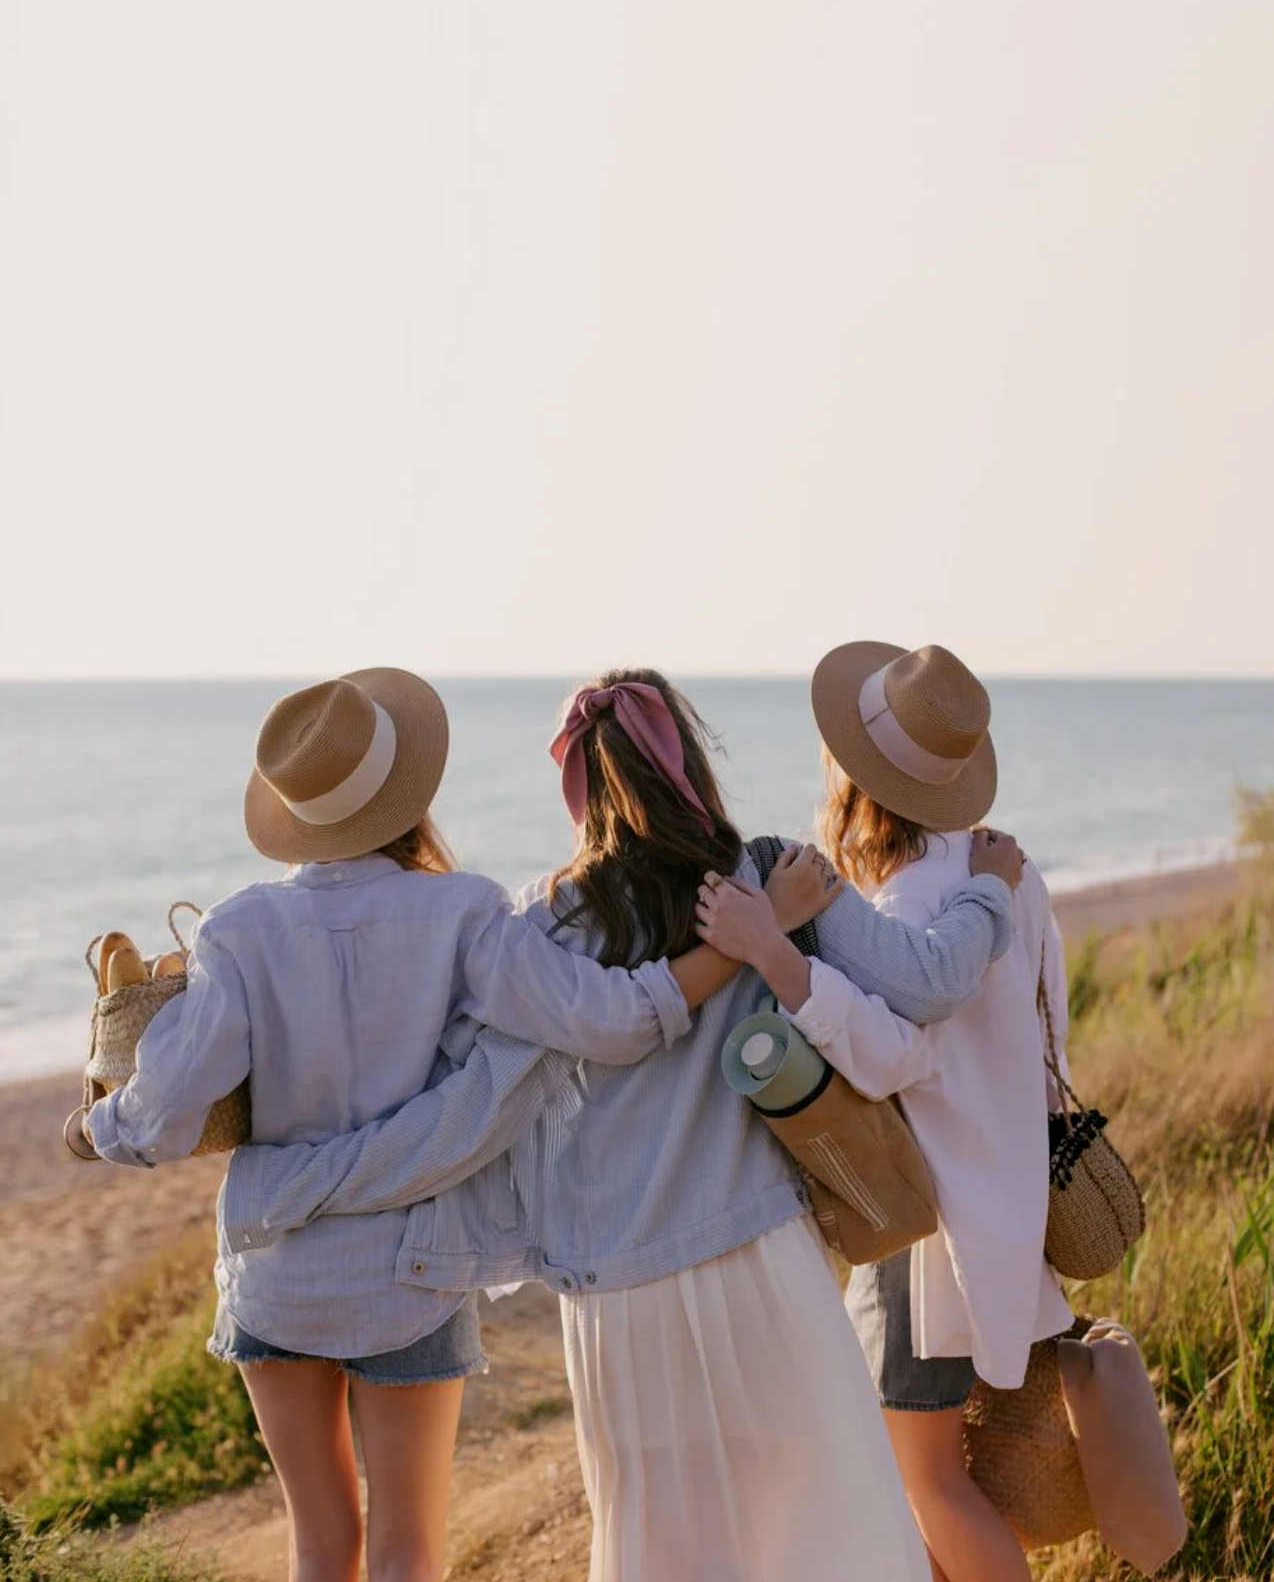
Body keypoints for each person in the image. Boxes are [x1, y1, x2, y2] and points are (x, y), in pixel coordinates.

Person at [220, 667, 1026, 1582]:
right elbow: (930, 981)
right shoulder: (768, 875)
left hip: (616, 1296)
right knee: (818, 1538)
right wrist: (986, 891)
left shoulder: (543, 923)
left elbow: (457, 1095)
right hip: (760, 1257)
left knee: (667, 1551)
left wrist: (301, 1170)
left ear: (579, 784)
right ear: (689, 758)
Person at [85, 667, 801, 1582]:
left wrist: (95, 1130)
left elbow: (163, 1114)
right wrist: (751, 940)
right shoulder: (463, 913)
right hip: (411, 1270)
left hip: (278, 1262)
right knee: (409, 1551)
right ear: (404, 793)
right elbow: (614, 1021)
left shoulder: (240, 930)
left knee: (319, 1546)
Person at [696, 642, 1071, 1582]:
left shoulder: (904, 899)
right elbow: (1049, 1026)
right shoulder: (1009, 875)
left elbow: (894, 1055)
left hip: (924, 1225)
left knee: (928, 1485)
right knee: (933, 1488)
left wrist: (779, 960)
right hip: (999, 1202)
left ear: (856, 774)